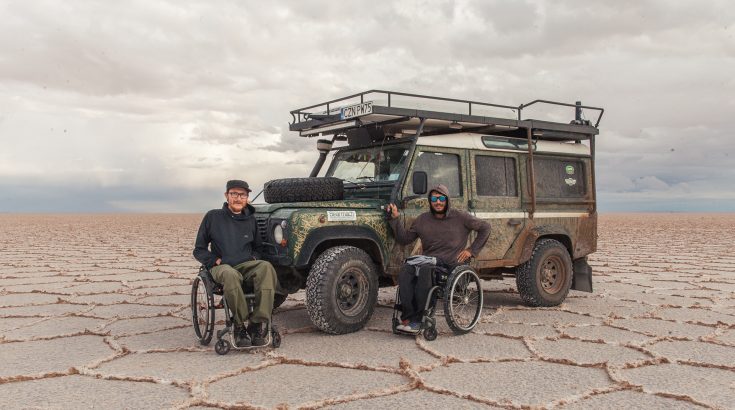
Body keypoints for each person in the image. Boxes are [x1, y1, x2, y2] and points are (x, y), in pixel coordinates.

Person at [386, 184, 491, 333]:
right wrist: (395, 219)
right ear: (430, 200)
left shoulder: (460, 217)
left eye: (441, 198)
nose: (438, 202)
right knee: (407, 270)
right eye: (434, 198)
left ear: (447, 200)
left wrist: (471, 250)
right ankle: (408, 317)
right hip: (429, 261)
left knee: (424, 271)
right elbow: (404, 239)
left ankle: (419, 318)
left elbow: (486, 227)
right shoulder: (423, 219)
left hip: (451, 264)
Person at [193, 179, 278, 347]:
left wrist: (254, 258)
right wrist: (215, 260)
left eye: (242, 195)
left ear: (247, 198)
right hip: (221, 267)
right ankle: (239, 325)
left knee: (266, 267)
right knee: (230, 274)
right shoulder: (213, 216)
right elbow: (199, 249)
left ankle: (256, 324)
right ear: (227, 196)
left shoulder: (251, 220)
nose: (238, 198)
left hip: (245, 266)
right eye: (234, 194)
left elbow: (258, 248)